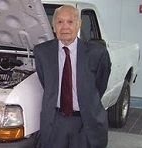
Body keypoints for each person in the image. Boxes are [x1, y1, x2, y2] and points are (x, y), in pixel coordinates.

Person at [33, 5, 111, 148]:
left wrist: (87, 100)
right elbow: (46, 82)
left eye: (70, 22)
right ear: (53, 26)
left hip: (86, 122)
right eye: (60, 22)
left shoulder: (97, 53)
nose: (65, 27)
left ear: (79, 24)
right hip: (55, 122)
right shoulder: (42, 52)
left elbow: (101, 84)